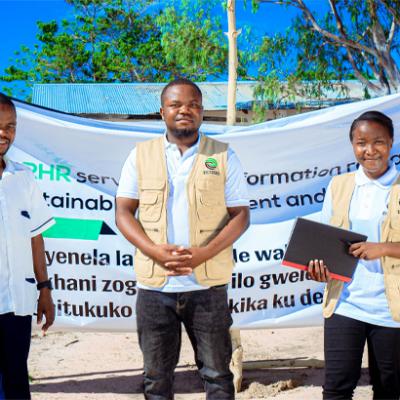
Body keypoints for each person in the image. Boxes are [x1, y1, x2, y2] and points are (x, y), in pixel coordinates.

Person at [115, 78, 249, 399]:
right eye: (175, 105)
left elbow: (241, 216)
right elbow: (123, 213)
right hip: (155, 289)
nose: (184, 110)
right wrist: (154, 252)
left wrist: (203, 254)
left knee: (218, 376)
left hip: (208, 288)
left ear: (202, 112)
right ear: (162, 112)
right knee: (156, 379)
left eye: (192, 105)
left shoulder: (222, 155)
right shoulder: (140, 155)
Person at [308, 110, 400, 400]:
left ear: (391, 143)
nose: (369, 150)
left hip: (392, 310)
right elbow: (323, 242)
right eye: (361, 142)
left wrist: (383, 248)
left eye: (378, 142)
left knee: (389, 390)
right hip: (344, 304)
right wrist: (316, 267)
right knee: (336, 390)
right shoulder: (339, 185)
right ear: (352, 145)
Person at [0, 93, 55, 399]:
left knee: (17, 385)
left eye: (10, 126)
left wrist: (44, 289)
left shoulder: (23, 177)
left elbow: (36, 235)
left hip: (17, 306)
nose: (4, 133)